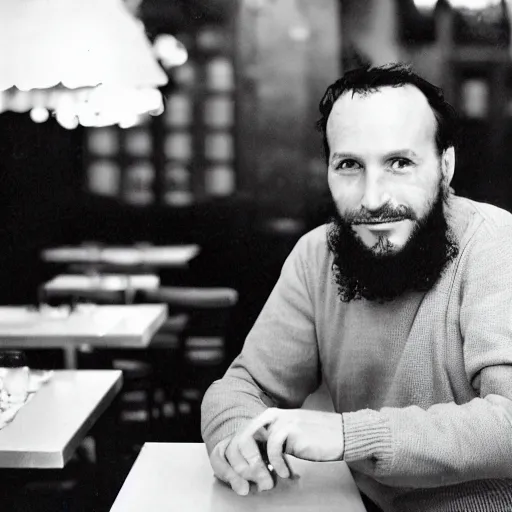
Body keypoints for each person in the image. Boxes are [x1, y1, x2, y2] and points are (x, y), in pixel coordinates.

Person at [200, 63, 512, 512]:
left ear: (446, 166)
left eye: (400, 163)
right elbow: (245, 384)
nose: (371, 199)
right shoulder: (316, 255)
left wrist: (349, 436)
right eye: (349, 165)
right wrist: (235, 438)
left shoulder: (494, 243)